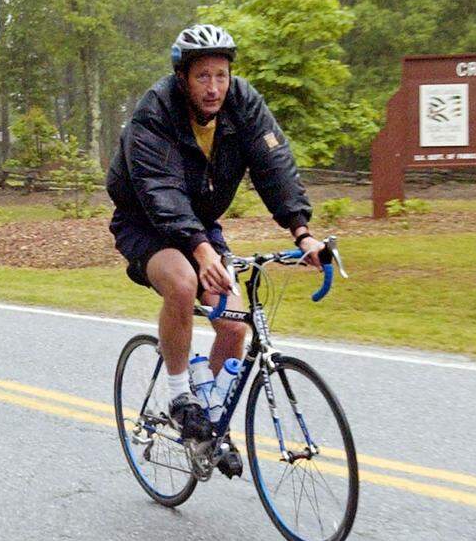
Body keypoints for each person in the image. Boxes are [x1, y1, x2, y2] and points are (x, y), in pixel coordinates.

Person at [106, 24, 323, 442]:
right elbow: (160, 189)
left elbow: (274, 167)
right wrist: (201, 251)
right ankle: (179, 397)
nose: (214, 87)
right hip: (145, 222)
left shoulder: (244, 104)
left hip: (201, 225)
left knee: (235, 324)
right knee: (184, 283)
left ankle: (209, 424)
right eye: (202, 76)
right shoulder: (155, 111)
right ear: (183, 78)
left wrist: (302, 233)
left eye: (221, 75)